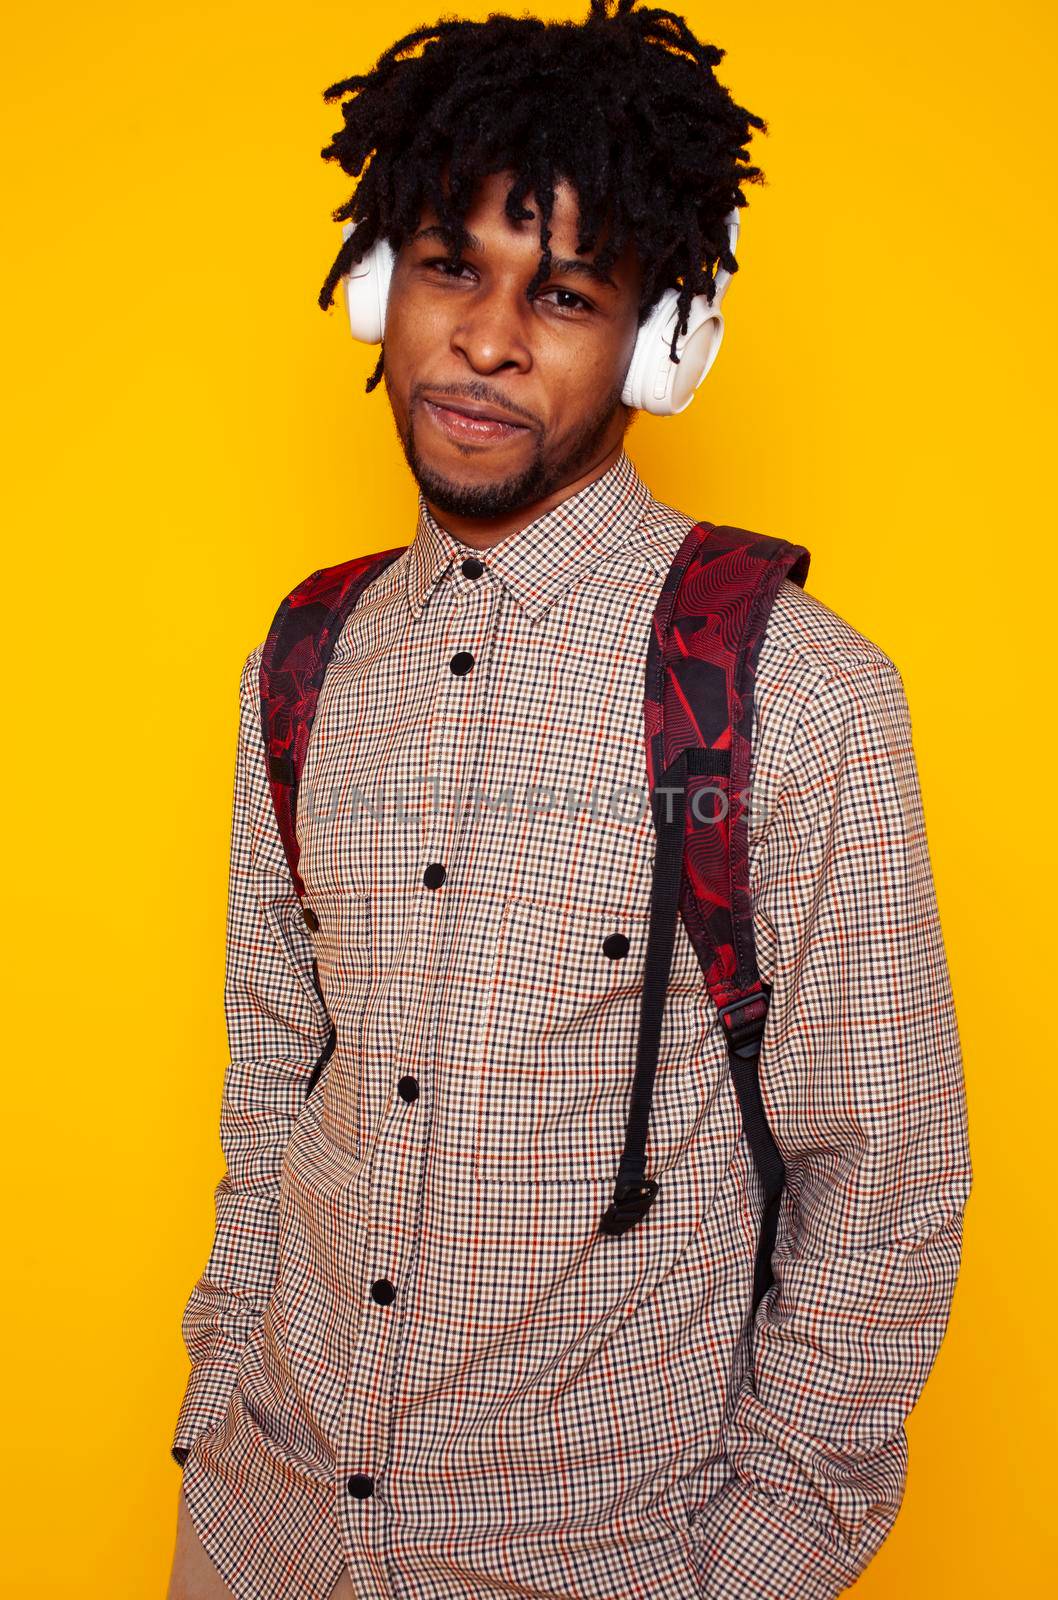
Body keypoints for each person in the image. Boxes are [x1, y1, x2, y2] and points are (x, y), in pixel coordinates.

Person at [165, 2, 974, 1597]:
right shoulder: (306, 659)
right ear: (380, 286)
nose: (486, 339)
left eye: (568, 294)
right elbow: (274, 1082)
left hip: (598, 1561)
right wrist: (209, 1435)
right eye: (451, 267)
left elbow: (884, 1186)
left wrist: (744, 1572)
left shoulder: (798, 695)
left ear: (663, 341)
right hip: (268, 1536)